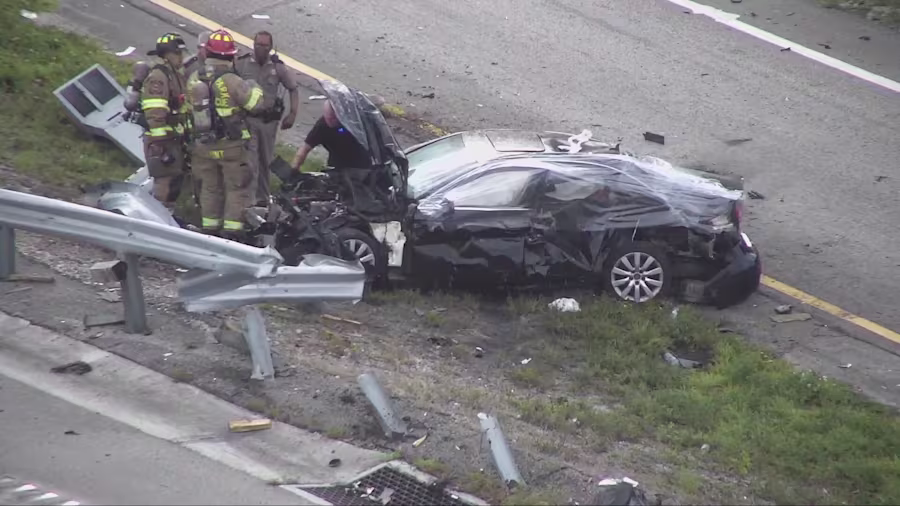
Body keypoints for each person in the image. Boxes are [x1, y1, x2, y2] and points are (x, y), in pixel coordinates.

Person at [185, 29, 265, 239]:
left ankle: (209, 230)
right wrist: (255, 87)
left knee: (210, 188)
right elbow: (255, 105)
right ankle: (231, 233)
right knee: (237, 188)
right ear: (231, 55)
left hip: (203, 147)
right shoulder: (231, 80)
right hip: (232, 147)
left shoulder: (195, 78)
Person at [235, 31, 300, 205]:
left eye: (265, 45)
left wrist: (292, 114)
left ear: (271, 47)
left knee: (265, 162)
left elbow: (293, 88)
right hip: (248, 121)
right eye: (258, 44)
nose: (261, 48)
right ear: (253, 44)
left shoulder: (278, 67)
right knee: (250, 162)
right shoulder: (242, 64)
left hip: (268, 124)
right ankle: (248, 201)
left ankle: (263, 200)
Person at [141, 33, 190, 213]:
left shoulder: (174, 75)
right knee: (163, 180)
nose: (181, 57)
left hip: (172, 138)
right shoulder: (158, 77)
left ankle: (166, 216)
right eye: (178, 54)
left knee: (175, 179)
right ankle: (155, 218)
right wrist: (162, 142)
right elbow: (154, 110)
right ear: (168, 54)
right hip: (160, 140)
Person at [291, 100, 371, 171]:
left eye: (334, 118)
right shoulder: (322, 126)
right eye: (328, 118)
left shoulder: (352, 122)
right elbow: (305, 148)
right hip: (336, 163)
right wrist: (295, 167)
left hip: (360, 162)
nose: (331, 121)